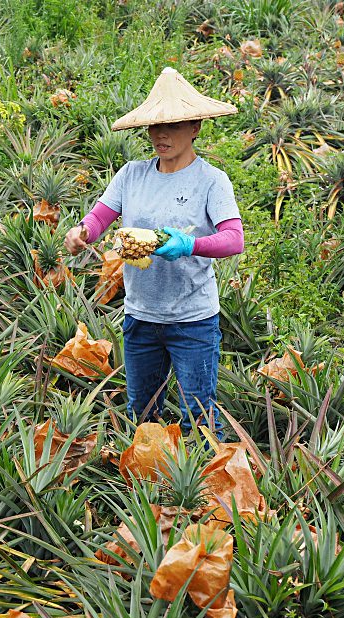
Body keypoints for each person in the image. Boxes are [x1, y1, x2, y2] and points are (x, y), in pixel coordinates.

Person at [64, 67, 244, 442]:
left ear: (195, 126)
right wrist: (81, 233)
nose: (161, 134)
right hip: (141, 317)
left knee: (200, 414)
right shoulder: (132, 174)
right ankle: (148, 485)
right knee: (142, 411)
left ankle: (214, 492)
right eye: (155, 126)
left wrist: (190, 245)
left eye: (174, 125)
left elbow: (233, 239)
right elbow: (99, 217)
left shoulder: (211, 181)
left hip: (193, 321)